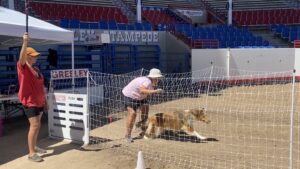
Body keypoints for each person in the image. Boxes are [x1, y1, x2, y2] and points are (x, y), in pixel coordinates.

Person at [17, 32, 48, 162]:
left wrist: (45, 101)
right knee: (34, 126)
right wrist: (25, 42)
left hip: (39, 101)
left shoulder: (36, 69)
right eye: (34, 55)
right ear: (28, 56)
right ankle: (31, 153)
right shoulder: (23, 67)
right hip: (30, 102)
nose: (36, 57)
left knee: (37, 125)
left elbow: (41, 87)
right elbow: (21, 59)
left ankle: (34, 147)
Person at [122, 68, 163, 143]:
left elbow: (144, 93)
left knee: (145, 108)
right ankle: (128, 135)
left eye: (158, 78)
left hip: (139, 97)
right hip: (130, 96)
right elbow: (142, 90)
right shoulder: (147, 82)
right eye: (157, 78)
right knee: (132, 114)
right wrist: (155, 91)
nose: (158, 80)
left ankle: (143, 128)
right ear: (153, 77)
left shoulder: (150, 82)